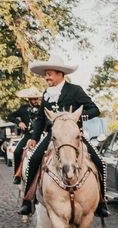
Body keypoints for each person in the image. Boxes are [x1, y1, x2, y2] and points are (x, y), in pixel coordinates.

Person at [17, 56, 109, 217]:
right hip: (53, 135)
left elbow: (95, 110)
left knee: (99, 160)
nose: (46, 77)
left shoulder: (75, 90)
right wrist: (34, 138)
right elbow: (40, 118)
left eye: (49, 74)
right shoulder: (46, 94)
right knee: (33, 160)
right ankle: (28, 200)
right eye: (46, 74)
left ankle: (101, 201)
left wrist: (76, 118)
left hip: (73, 134)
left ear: (60, 74)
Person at [6, 87, 41, 185]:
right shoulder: (23, 108)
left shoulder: (41, 108)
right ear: (29, 99)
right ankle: (18, 175)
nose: (36, 100)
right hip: (28, 135)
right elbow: (10, 116)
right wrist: (19, 122)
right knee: (17, 152)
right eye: (34, 99)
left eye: (37, 98)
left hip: (40, 135)